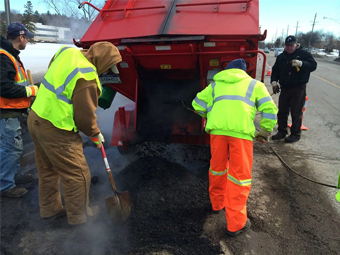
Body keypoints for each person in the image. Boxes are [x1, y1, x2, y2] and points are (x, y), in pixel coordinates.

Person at [27, 41, 122, 225]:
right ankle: (79, 218)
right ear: (103, 61)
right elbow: (84, 118)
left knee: (48, 170)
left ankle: (50, 210)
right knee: (77, 173)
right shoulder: (86, 77)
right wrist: (95, 133)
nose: (107, 72)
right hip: (56, 127)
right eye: (108, 68)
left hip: (36, 117)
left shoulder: (67, 52)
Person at [192, 58, 277, 236]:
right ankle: (236, 224)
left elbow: (197, 105)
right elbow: (269, 109)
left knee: (217, 169)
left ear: (228, 71)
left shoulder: (215, 85)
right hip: (241, 135)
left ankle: (217, 204)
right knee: (240, 177)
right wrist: (265, 131)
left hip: (217, 133)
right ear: (243, 71)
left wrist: (209, 113)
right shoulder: (255, 85)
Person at [0, 22, 37, 198]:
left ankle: (14, 175)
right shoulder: (4, 57)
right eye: (27, 38)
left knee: (13, 146)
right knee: (10, 148)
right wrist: (30, 90)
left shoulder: (10, 54)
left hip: (13, 110)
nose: (27, 41)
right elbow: (4, 87)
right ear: (21, 37)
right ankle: (5, 185)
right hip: (6, 112)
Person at [271, 35, 317, 143]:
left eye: (291, 45)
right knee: (282, 111)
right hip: (285, 88)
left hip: (298, 88)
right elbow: (275, 70)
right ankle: (281, 131)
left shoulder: (304, 54)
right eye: (287, 46)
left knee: (296, 112)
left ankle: (295, 134)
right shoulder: (281, 57)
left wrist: (302, 64)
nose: (289, 48)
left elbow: (313, 65)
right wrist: (274, 82)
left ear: (296, 44)